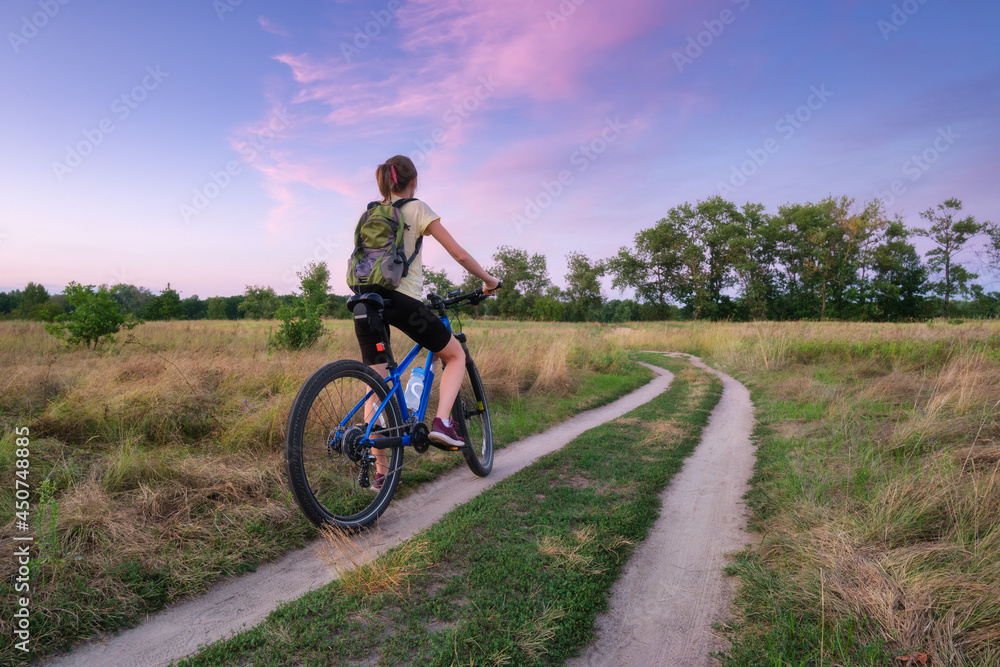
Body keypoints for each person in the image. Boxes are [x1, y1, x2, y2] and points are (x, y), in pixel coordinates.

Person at [353, 155, 499, 490]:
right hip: (402, 302)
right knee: (455, 355)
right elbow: (459, 254)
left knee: (376, 383)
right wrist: (489, 281)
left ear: (384, 183)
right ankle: (443, 423)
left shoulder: (368, 214)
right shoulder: (416, 208)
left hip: (365, 302)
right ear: (412, 181)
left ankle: (380, 472)